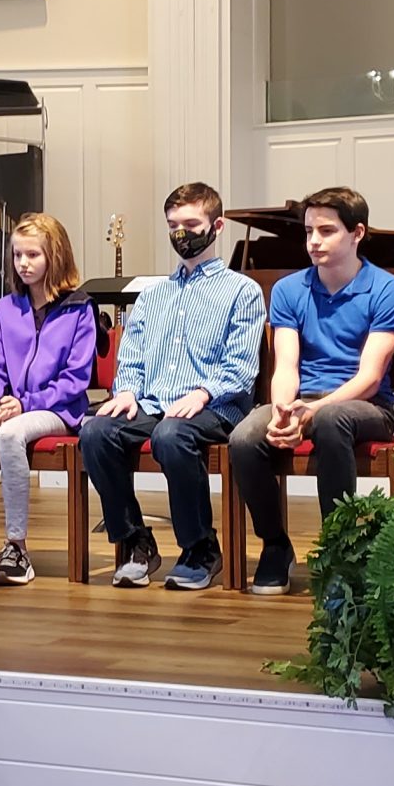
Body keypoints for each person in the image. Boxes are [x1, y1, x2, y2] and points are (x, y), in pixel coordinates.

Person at [79, 182, 266, 591]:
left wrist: (203, 393)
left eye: (191, 224)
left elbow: (241, 368)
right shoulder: (152, 296)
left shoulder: (242, 292)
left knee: (171, 434)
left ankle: (200, 548)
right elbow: (131, 357)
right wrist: (126, 391)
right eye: (173, 225)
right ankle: (136, 541)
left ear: (217, 226)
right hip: (153, 403)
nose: (182, 234)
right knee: (95, 431)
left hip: (215, 407)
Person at [226, 187, 394, 595]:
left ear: (357, 233)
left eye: (326, 231)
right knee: (244, 437)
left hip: (365, 405)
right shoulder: (289, 289)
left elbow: (370, 377)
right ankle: (275, 545)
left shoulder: (387, 288)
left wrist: (313, 410)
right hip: (304, 399)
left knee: (331, 419)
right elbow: (286, 366)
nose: (313, 241)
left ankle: (339, 550)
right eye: (309, 231)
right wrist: (282, 410)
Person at [0, 214, 97, 588]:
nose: (23, 263)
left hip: (58, 410)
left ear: (55, 256)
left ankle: (16, 548)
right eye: (17, 255)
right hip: (12, 405)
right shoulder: (4, 309)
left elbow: (75, 380)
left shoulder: (80, 309)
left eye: (33, 255)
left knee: (11, 435)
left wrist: (25, 403)